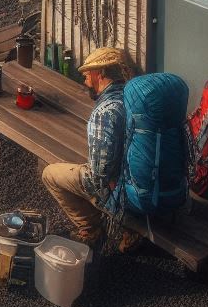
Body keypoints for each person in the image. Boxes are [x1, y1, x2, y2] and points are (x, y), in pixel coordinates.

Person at [40, 47, 140, 253]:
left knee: (50, 173)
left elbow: (98, 178)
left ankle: (92, 229)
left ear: (101, 73)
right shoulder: (135, 99)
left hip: (121, 192)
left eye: (88, 73)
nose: (84, 78)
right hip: (140, 182)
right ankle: (130, 231)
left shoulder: (105, 112)